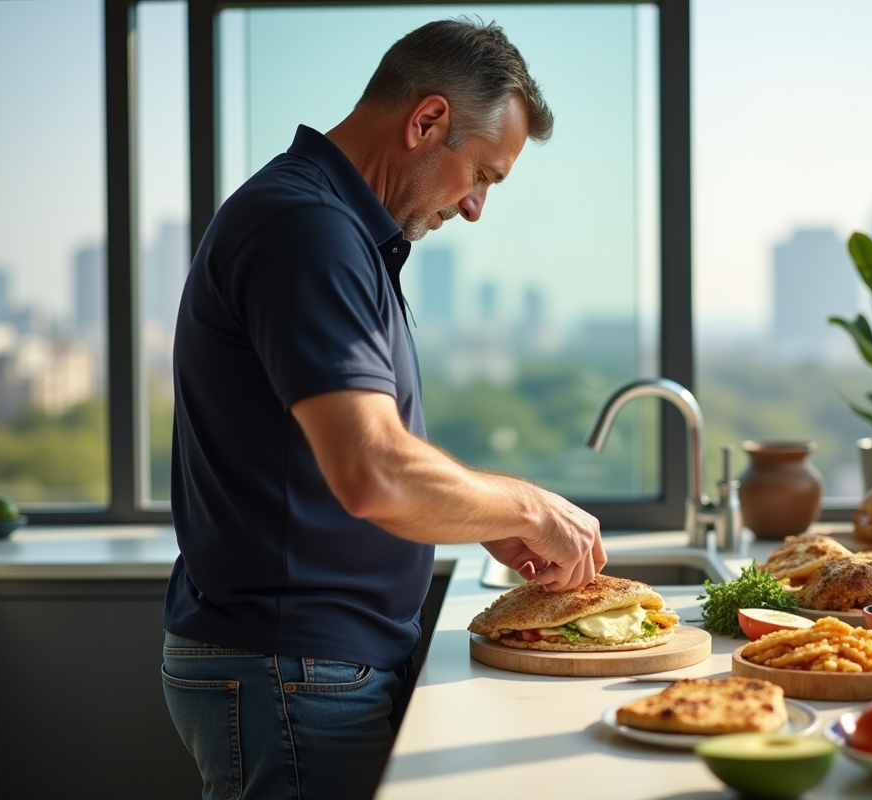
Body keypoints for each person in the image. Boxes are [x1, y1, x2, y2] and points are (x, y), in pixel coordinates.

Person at [161, 17, 606, 800]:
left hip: (308, 667)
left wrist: (481, 515)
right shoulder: (310, 230)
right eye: (484, 176)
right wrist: (528, 505)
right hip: (294, 671)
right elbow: (373, 471)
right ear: (427, 120)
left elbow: (362, 460)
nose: (475, 209)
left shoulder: (334, 227)